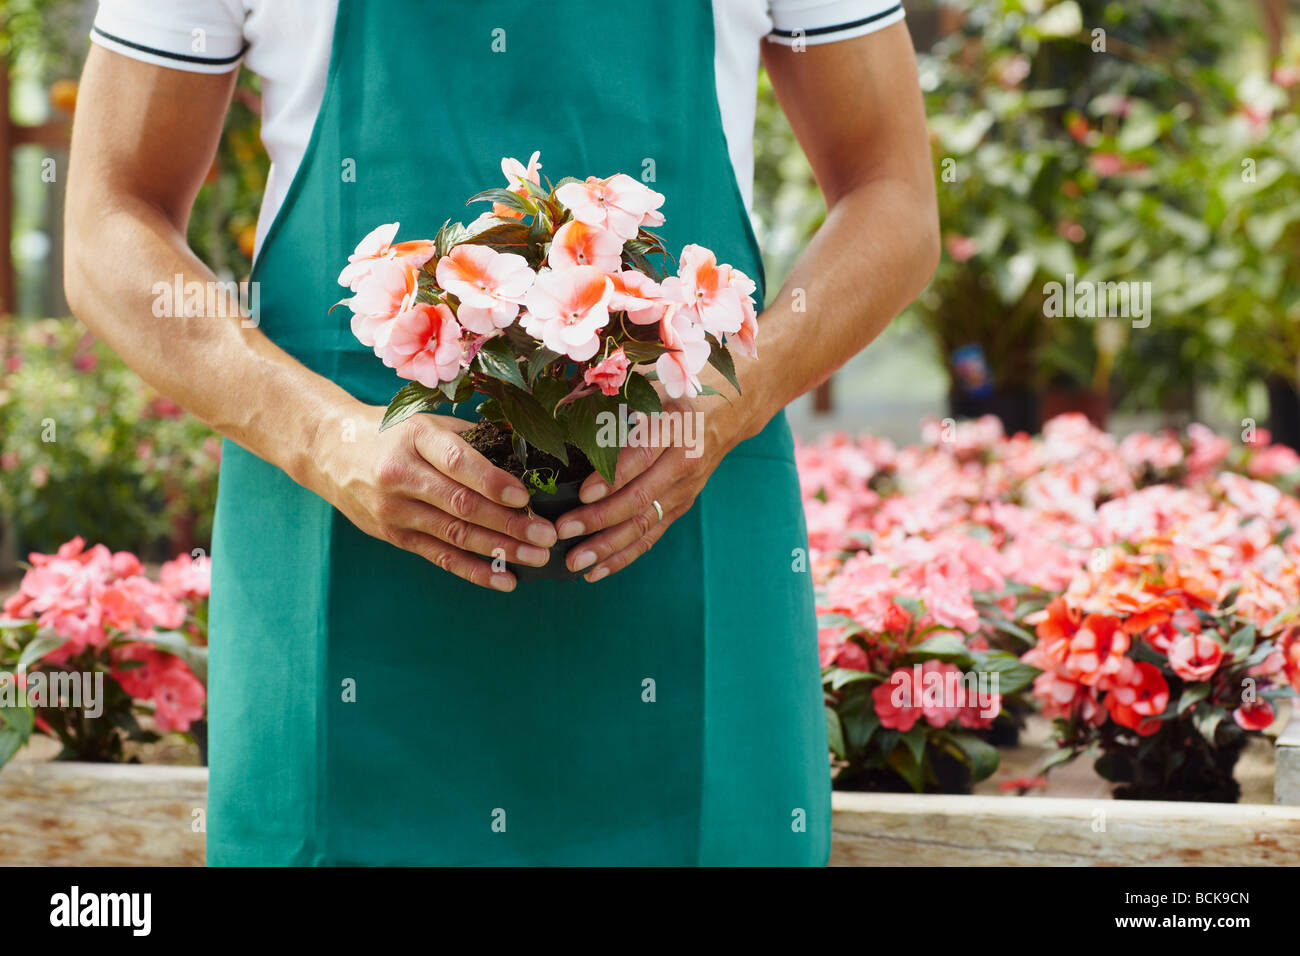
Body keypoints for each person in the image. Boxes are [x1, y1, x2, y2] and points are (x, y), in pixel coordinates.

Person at [65, 0, 938, 865]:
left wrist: (728, 401)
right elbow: (111, 220)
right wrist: (329, 438)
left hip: (683, 569)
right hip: (341, 577)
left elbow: (891, 194)